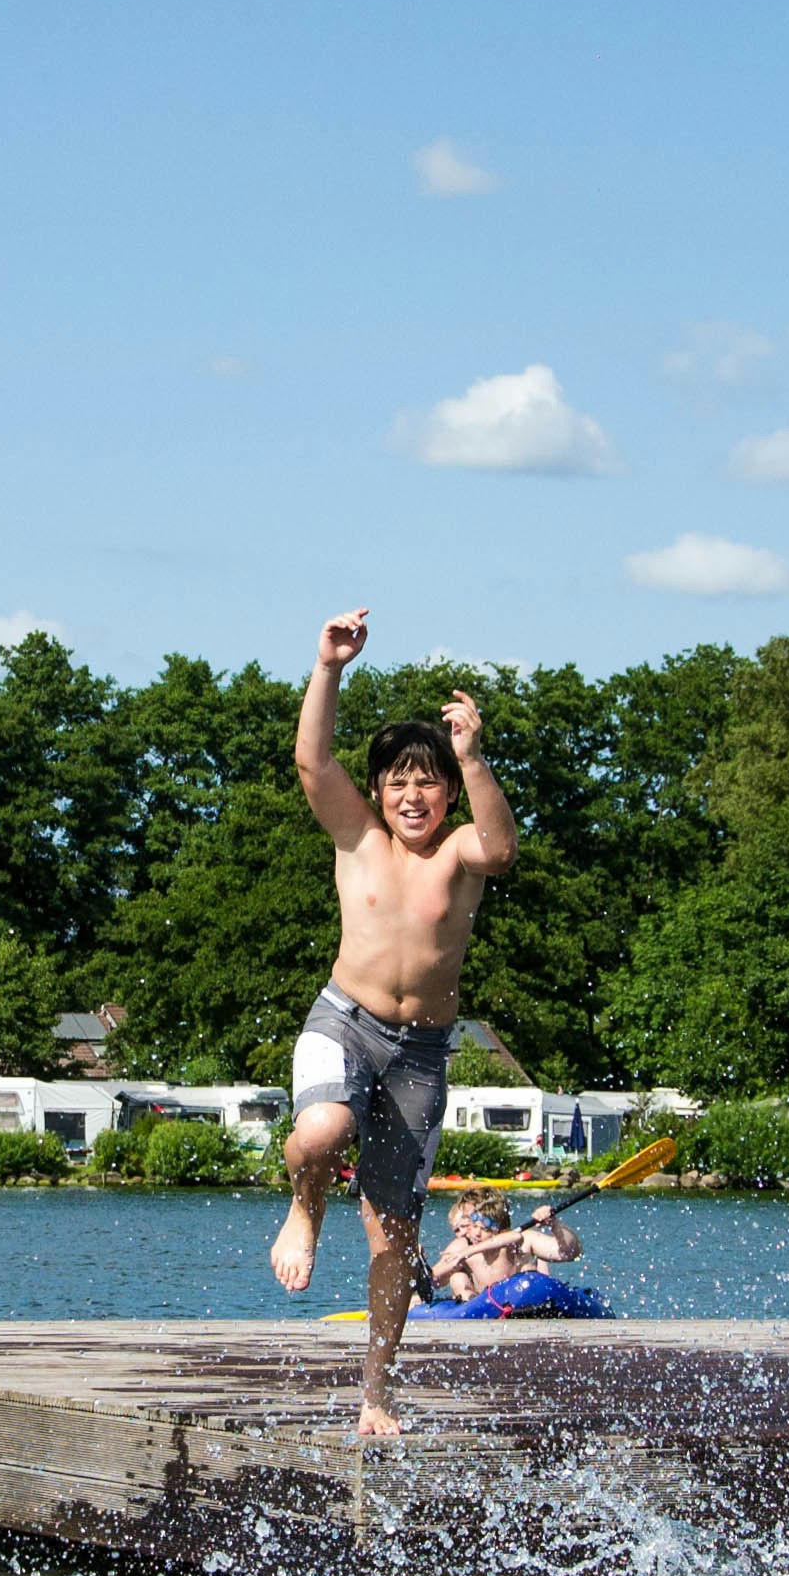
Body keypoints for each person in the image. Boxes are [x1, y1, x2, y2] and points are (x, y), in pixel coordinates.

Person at [265, 605, 518, 1433]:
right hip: (343, 1021)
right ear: (377, 792)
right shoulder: (359, 838)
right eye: (398, 782)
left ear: (448, 790)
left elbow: (502, 843)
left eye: (430, 780)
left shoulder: (459, 855)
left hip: (421, 1055)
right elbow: (311, 760)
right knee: (321, 1128)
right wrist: (328, 664)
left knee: (397, 1239)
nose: (414, 795)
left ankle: (375, 1394)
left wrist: (474, 755)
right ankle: (304, 1206)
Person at [427, 1193, 585, 1309]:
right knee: (457, 1277)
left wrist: (554, 1224)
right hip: (482, 1309)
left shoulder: (522, 1240)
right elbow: (433, 1281)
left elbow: (569, 1252)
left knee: (529, 1270)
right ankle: (469, 1304)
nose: (470, 1229)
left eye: (471, 1219)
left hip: (523, 1303)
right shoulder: (461, 1246)